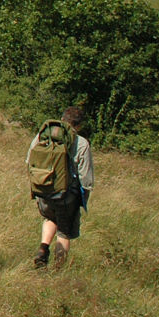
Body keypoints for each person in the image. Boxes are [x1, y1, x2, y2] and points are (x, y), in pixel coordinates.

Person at [32, 106, 94, 269]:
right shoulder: (82, 143)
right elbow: (86, 178)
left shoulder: (43, 135)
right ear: (79, 125)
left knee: (50, 218)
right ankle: (57, 270)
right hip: (67, 196)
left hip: (43, 190)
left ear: (62, 119)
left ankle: (43, 249)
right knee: (64, 232)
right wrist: (83, 199)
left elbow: (29, 161)